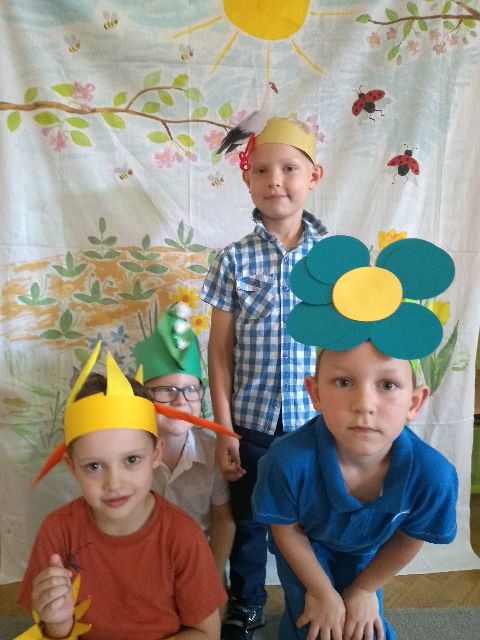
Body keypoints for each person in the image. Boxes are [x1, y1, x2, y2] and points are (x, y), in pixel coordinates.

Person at [252, 235, 458, 640]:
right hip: (304, 548)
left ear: (415, 401)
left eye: (387, 385)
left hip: (369, 551)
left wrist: (364, 590)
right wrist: (320, 591)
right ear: (315, 394)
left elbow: (410, 537)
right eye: (343, 382)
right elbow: (286, 529)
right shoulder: (285, 461)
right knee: (313, 622)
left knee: (362, 622)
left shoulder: (433, 476)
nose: (364, 404)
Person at [201, 116, 327, 639]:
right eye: (261, 170)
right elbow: (219, 351)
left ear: (314, 175)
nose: (276, 180)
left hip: (315, 426)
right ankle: (247, 604)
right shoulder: (233, 259)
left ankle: (313, 601)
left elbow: (344, 347)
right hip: (251, 426)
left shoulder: (334, 259)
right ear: (247, 178)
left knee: (310, 522)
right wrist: (224, 431)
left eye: (290, 168)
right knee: (250, 523)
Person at [16, 342, 226, 640]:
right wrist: (58, 622)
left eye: (131, 460)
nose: (114, 483)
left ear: (155, 454)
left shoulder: (183, 537)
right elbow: (51, 631)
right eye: (94, 466)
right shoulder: (57, 531)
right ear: (72, 467)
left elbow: (206, 633)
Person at [134, 302, 235, 579]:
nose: (181, 401)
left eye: (191, 389)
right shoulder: (129, 452)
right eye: (166, 390)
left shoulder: (211, 450)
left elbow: (223, 520)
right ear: (143, 396)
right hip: (142, 566)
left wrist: (212, 576)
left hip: (199, 566)